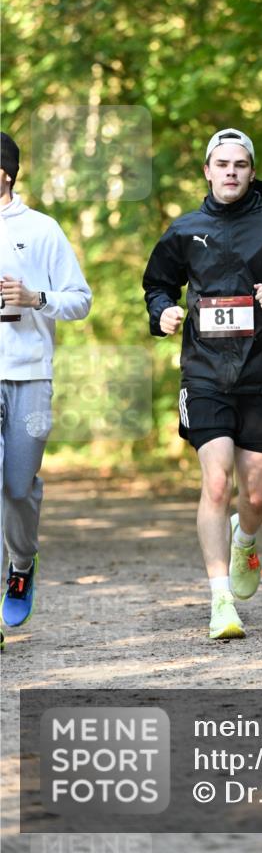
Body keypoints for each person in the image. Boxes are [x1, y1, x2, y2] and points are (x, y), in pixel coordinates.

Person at [142, 128, 262, 641]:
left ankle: (245, 539)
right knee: (218, 482)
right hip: (204, 372)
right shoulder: (185, 229)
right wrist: (164, 312)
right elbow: (157, 283)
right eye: (221, 164)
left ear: (251, 171)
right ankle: (220, 600)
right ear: (206, 170)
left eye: (240, 165)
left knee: (257, 493)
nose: (230, 172)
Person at [0, 131, 92, 648]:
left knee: (17, 488)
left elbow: (81, 300)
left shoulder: (42, 230)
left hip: (31, 374)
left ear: (5, 174)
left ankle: (21, 562)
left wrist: (36, 297)